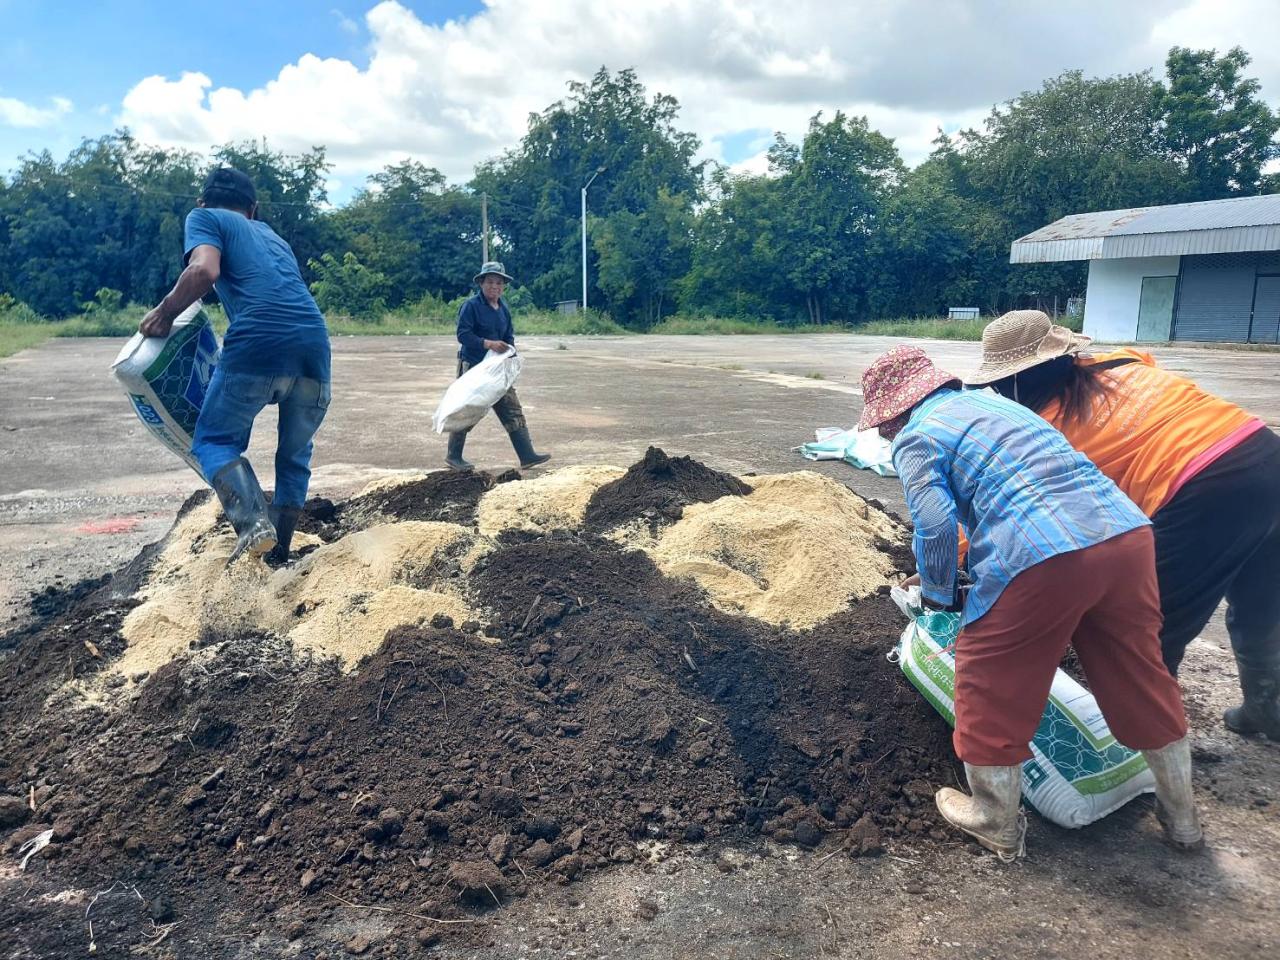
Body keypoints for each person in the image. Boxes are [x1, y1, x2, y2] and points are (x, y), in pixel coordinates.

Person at [859, 345, 1200, 860]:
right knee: (1138, 672)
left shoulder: (918, 436)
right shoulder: (1001, 408)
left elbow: (932, 525)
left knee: (987, 674)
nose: (886, 432)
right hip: (1125, 537)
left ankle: (995, 819)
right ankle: (1183, 817)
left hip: (1045, 557)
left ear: (895, 410)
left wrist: (937, 594)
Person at [967, 311, 1280, 742]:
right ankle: (1267, 708)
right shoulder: (1124, 361)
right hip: (1264, 451)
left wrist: (960, 552)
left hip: (1207, 489)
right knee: (1262, 600)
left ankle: (1146, 748)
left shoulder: (1047, 432)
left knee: (1146, 629)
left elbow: (1006, 512)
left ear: (1012, 381)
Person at [139, 167, 330, 564]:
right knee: (294, 454)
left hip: (258, 343)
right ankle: (279, 554)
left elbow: (204, 271)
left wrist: (164, 312)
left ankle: (253, 524)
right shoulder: (274, 238)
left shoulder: (205, 218)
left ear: (202, 202)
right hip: (314, 346)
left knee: (213, 441)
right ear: (253, 208)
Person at [445, 261, 550, 472]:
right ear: (482, 283)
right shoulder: (471, 306)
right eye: (490, 282)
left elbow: (508, 337)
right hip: (474, 368)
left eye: (499, 283)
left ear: (503, 286)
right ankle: (453, 456)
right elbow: (463, 335)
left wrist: (512, 357)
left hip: (498, 369)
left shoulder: (503, 309)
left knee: (512, 408)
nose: (495, 286)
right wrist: (488, 343)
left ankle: (527, 455)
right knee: (469, 409)